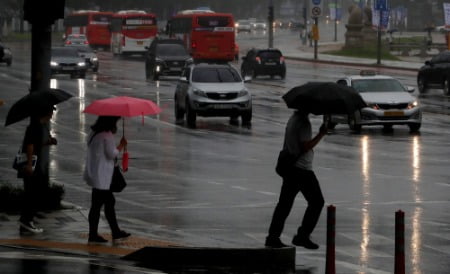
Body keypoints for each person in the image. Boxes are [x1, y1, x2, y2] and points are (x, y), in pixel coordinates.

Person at [265, 110, 327, 249]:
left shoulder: (293, 119)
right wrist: (321, 134)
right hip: (302, 170)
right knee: (317, 202)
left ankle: (272, 237)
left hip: (291, 168)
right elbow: (305, 146)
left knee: (284, 205)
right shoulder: (304, 123)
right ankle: (302, 236)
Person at [84, 116, 130, 243]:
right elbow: (112, 154)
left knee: (99, 205)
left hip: (95, 174)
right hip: (103, 176)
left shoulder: (94, 133)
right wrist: (121, 145)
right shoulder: (106, 135)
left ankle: (101, 234)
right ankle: (112, 233)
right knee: (106, 203)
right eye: (115, 123)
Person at [19, 105, 57, 234]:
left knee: (33, 193)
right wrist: (29, 164)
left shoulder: (40, 126)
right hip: (31, 166)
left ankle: (26, 222)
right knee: (32, 193)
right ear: (45, 113)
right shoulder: (34, 127)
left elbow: (36, 144)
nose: (52, 115)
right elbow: (29, 145)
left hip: (34, 164)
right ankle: (26, 221)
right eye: (51, 112)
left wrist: (48, 142)